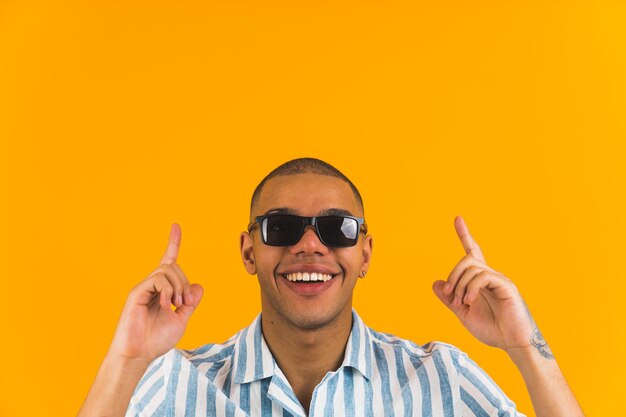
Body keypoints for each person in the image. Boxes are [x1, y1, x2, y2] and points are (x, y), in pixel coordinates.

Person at [78, 158, 584, 417]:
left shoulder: (441, 379)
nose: (310, 246)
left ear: (364, 253)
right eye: (281, 227)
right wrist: (126, 361)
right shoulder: (176, 386)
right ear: (249, 251)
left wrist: (526, 348)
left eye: (337, 228)